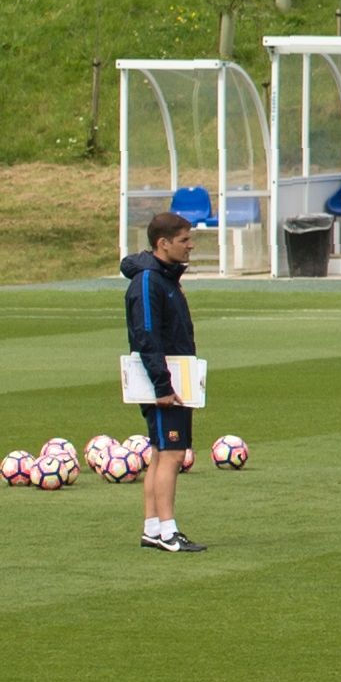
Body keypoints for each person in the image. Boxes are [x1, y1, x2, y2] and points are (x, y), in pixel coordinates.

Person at [122, 212, 209, 552]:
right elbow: (146, 336)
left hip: (172, 378)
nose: (191, 246)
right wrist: (162, 385)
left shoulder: (163, 278)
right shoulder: (148, 281)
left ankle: (153, 527)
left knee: (161, 454)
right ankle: (168, 532)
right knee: (171, 454)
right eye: (184, 240)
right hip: (164, 382)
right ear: (163, 243)